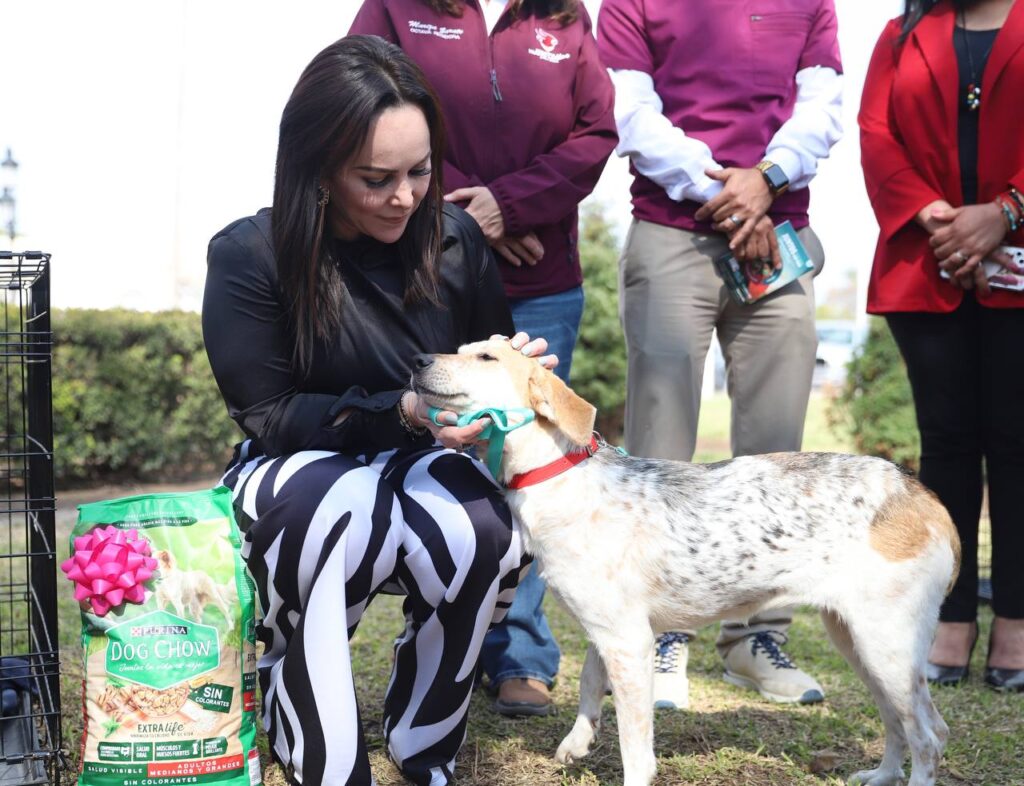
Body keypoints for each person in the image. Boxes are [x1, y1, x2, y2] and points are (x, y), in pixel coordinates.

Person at [202, 35, 559, 786]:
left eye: (421, 172)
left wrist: (510, 379)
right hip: (298, 467)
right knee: (340, 504)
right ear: (320, 169)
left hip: (422, 456)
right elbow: (270, 416)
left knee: (481, 529)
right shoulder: (250, 255)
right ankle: (318, 751)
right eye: (377, 178)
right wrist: (400, 410)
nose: (405, 196)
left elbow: (471, 375)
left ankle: (424, 746)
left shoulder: (456, 240)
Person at [349, 0, 617, 717]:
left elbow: (597, 133)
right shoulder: (396, 8)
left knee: (531, 470)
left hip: (541, 284)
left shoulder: (563, 18)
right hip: (427, 275)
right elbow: (363, 104)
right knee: (428, 451)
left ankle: (520, 652)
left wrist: (511, 204)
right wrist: (468, 215)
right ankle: (439, 645)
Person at [597, 0, 843, 708]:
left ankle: (756, 637)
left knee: (780, 458)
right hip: (675, 230)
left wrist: (767, 179)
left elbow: (821, 106)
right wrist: (727, 192)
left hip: (779, 236)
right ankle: (665, 636)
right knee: (660, 451)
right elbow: (633, 114)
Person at [860, 0, 1024, 692]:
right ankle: (951, 617)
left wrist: (1006, 212)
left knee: (1018, 444)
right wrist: (941, 221)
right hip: (925, 264)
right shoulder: (901, 33)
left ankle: (1017, 620)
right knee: (947, 446)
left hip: (1019, 259)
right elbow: (876, 134)